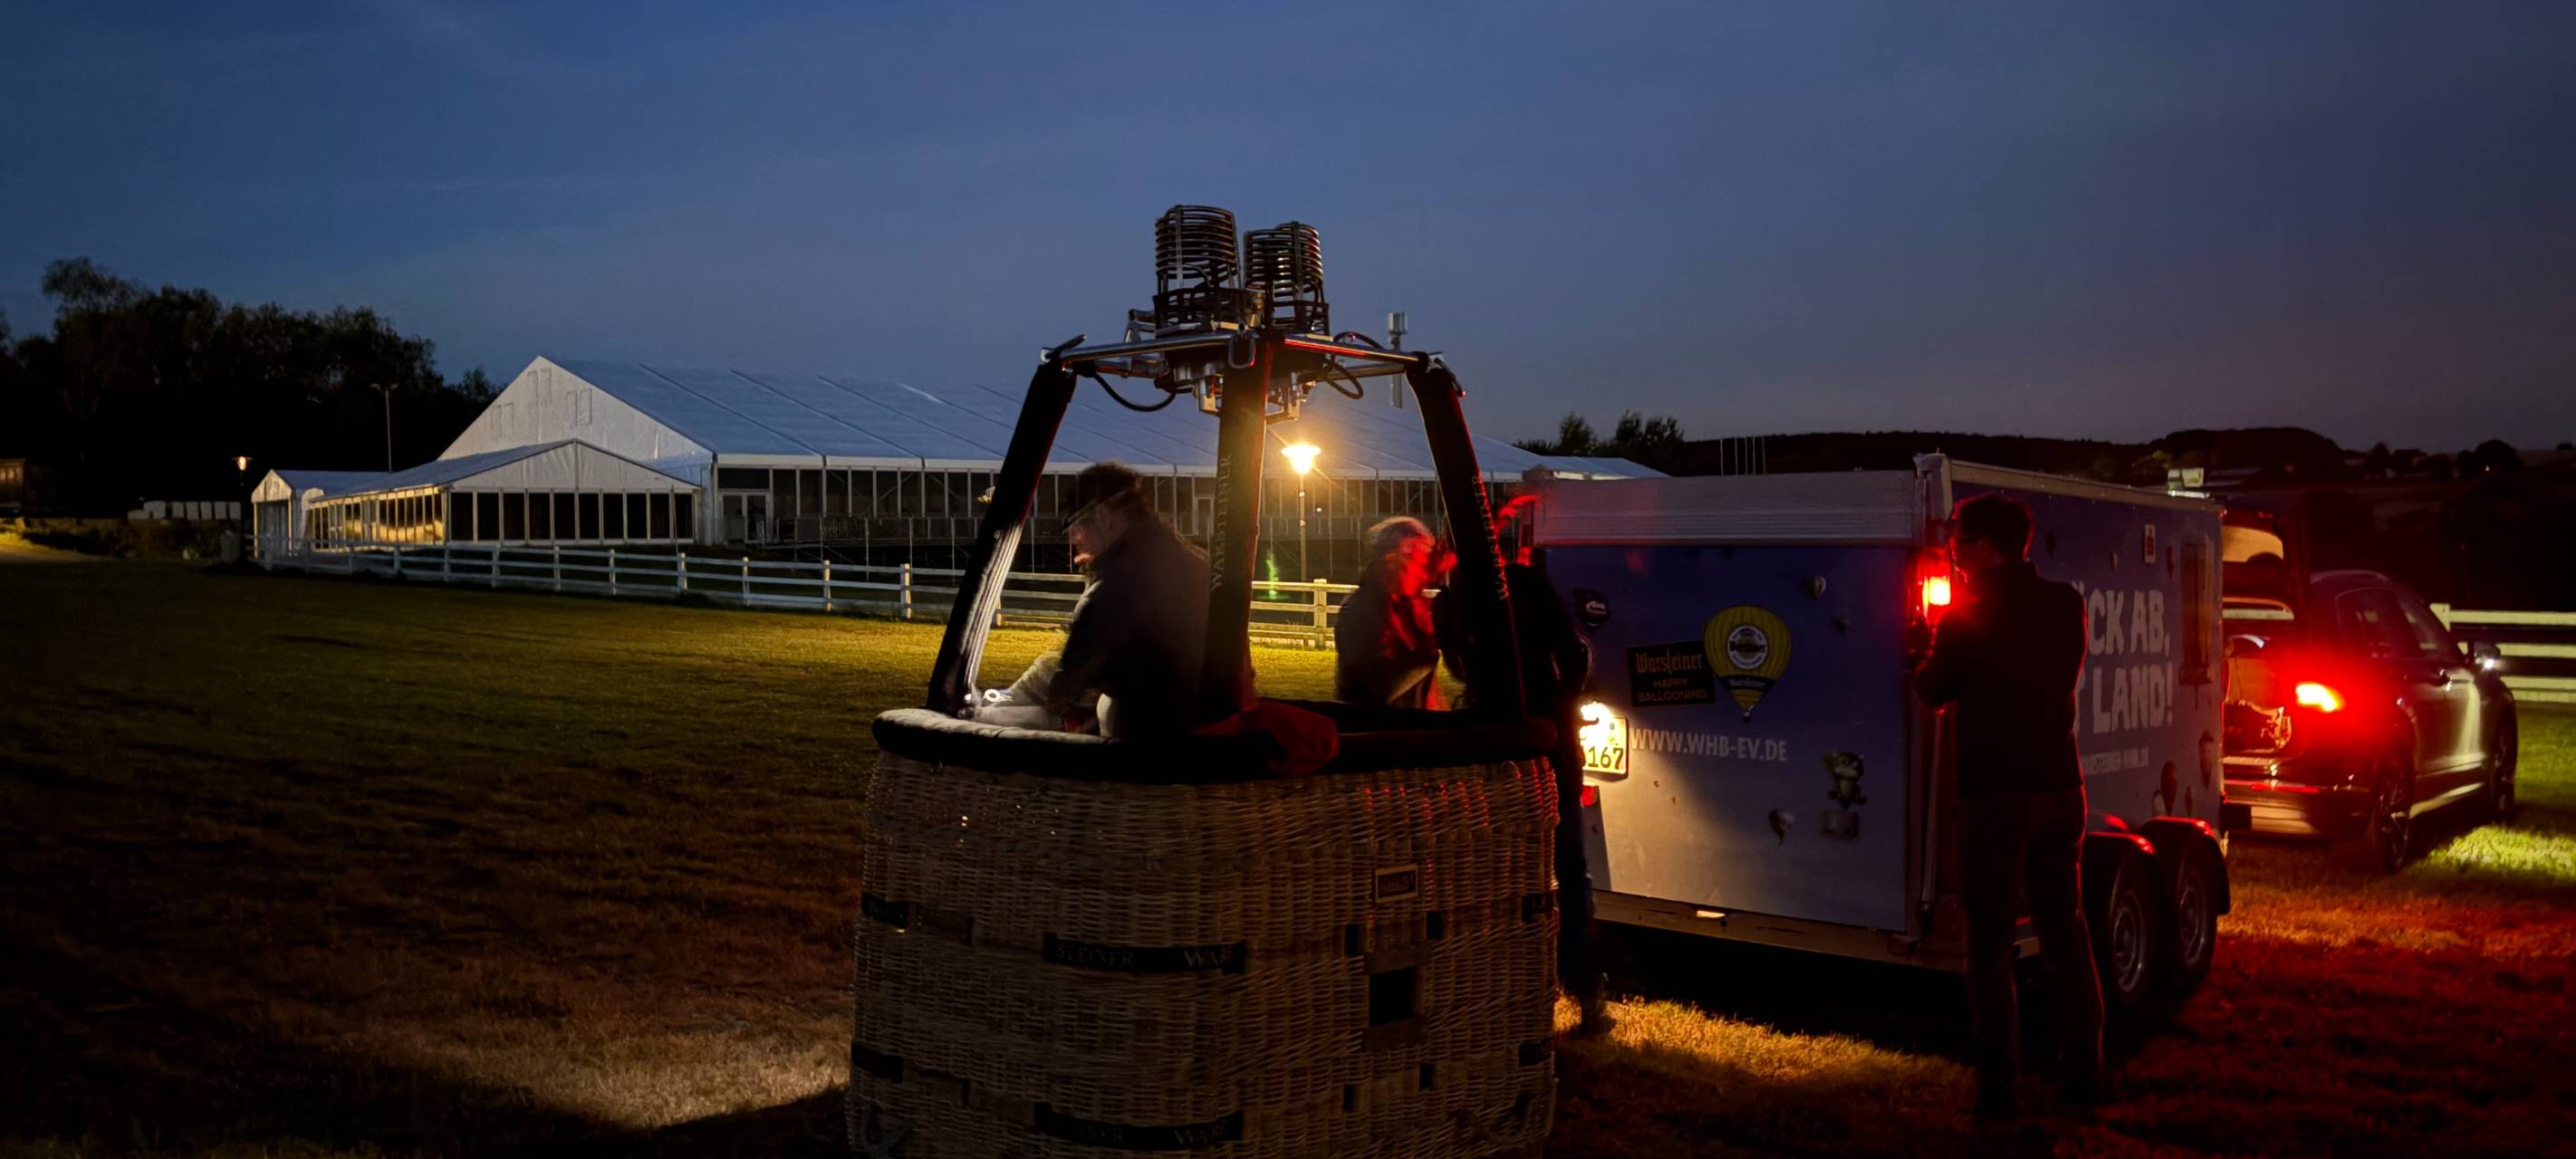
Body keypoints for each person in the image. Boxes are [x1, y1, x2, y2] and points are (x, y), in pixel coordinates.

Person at [1913, 493, 2103, 1119]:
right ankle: (2083, 1076)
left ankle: (1998, 1089)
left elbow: (1934, 691)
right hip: (2059, 787)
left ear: (1985, 547)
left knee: (1990, 946)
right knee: (2065, 936)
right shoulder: (2065, 603)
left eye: (1960, 540)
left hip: (1995, 795)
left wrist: (1923, 643)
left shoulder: (1969, 614)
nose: (1953, 550)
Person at [1432, 492, 1610, 1036]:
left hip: (1487, 744)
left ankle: (1496, 987)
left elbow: (1458, 668)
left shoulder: (1449, 605)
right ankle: (1583, 990)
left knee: (1487, 869)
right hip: (1546, 744)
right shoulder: (1525, 586)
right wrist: (1560, 699)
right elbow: (1574, 650)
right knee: (1567, 865)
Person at [1041, 463, 1235, 739]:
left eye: (1077, 527)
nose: (1075, 540)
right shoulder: (1190, 561)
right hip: (1193, 723)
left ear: (1104, 516)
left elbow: (1064, 687)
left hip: (1142, 737)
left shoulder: (1116, 587)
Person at [1335, 517, 1448, 710]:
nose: (1423, 574)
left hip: (1409, 734)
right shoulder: (1359, 610)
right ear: (1390, 560)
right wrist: (1428, 643)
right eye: (1417, 561)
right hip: (1377, 733)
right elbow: (1376, 688)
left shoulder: (1404, 607)